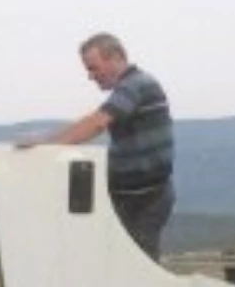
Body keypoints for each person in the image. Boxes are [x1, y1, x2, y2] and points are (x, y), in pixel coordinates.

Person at [20, 32, 175, 260]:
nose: (91, 76)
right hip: (129, 197)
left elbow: (98, 122)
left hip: (145, 201)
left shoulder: (137, 85)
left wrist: (46, 146)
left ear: (116, 58)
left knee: (136, 265)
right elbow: (96, 120)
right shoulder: (132, 87)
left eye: (94, 68)